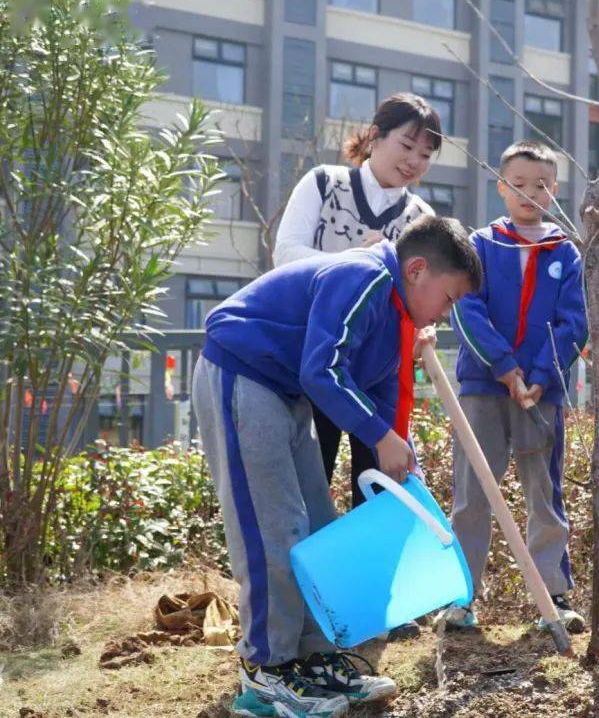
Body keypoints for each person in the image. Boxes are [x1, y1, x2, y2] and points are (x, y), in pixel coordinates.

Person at [192, 215, 482, 718]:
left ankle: (311, 658)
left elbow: (380, 388)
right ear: (417, 270)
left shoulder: (396, 311)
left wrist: (400, 457)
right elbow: (321, 370)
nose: (446, 313)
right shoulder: (363, 277)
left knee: (318, 530)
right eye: (449, 298)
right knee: (273, 532)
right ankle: (265, 673)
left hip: (286, 395)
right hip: (242, 376)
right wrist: (379, 436)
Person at [443, 141, 588, 633]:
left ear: (556, 190)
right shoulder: (480, 244)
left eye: (541, 185)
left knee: (543, 488)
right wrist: (504, 367)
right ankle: (461, 595)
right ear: (501, 187)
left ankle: (554, 594)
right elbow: (466, 308)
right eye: (519, 184)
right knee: (472, 490)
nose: (530, 194)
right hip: (483, 385)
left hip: (542, 394)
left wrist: (541, 376)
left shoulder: (565, 251)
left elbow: (573, 323)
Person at [273, 92, 439, 508]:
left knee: (380, 490)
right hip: (315, 359)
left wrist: (426, 326)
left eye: (425, 155)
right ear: (375, 136)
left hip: (380, 372)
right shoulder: (323, 183)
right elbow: (285, 255)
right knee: (309, 486)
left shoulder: (422, 218)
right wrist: (356, 260)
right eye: (407, 145)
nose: (413, 162)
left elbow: (426, 293)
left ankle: (370, 553)